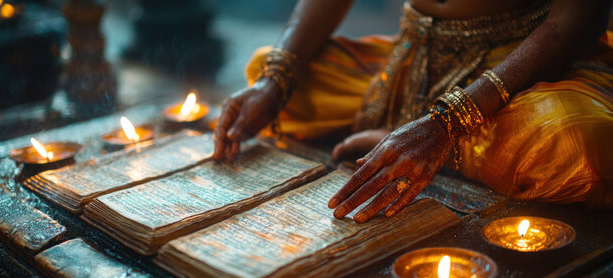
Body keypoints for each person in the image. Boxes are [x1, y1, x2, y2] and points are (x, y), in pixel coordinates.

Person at [213, 0, 613, 223]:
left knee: (582, 145)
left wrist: (448, 127)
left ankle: (442, 151)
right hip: (405, 65)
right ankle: (406, 139)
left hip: (520, 68)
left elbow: (581, 16)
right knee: (266, 72)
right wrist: (276, 78)